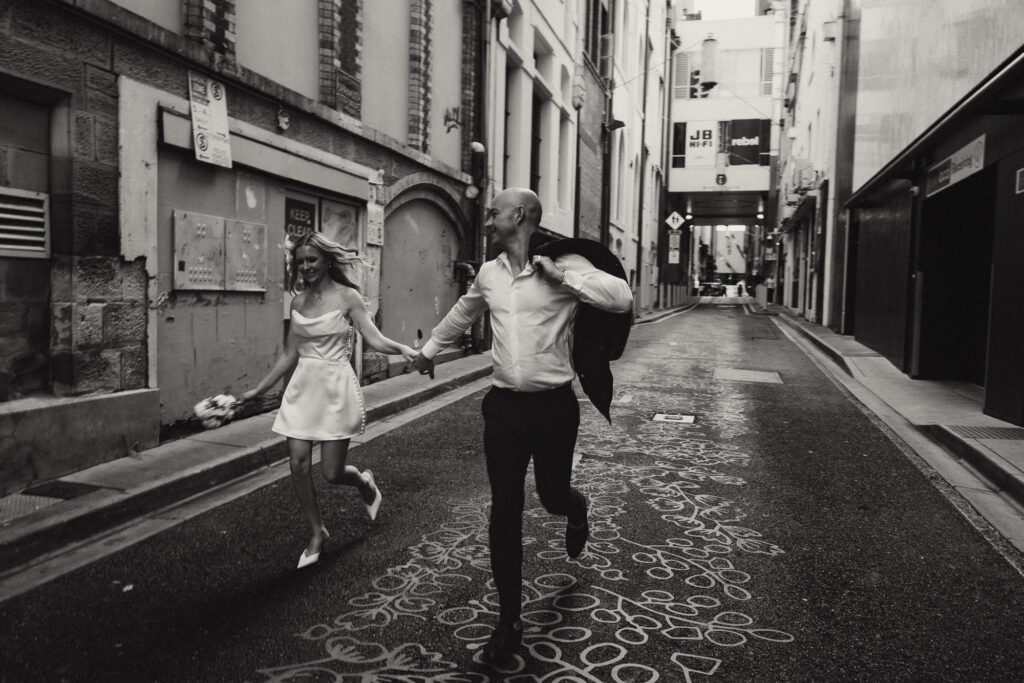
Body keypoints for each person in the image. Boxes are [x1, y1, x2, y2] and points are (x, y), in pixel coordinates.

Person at [413, 188, 633, 666]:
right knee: (504, 511)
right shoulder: (491, 273)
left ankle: (576, 510)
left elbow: (621, 298)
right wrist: (429, 351)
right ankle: (508, 621)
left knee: (552, 495)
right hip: (504, 410)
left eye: (494, 213)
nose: (488, 220)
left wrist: (566, 280)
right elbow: (464, 312)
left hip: (554, 408)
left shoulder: (564, 264)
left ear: (518, 216)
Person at [241, 232, 417, 570]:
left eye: (312, 260)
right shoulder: (297, 303)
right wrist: (258, 391)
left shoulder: (348, 297)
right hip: (303, 388)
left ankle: (364, 481)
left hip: (335, 387)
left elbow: (374, 338)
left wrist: (404, 349)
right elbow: (290, 353)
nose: (305, 266)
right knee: (298, 463)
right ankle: (318, 531)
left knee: (332, 473)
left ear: (327, 261)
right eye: (301, 261)